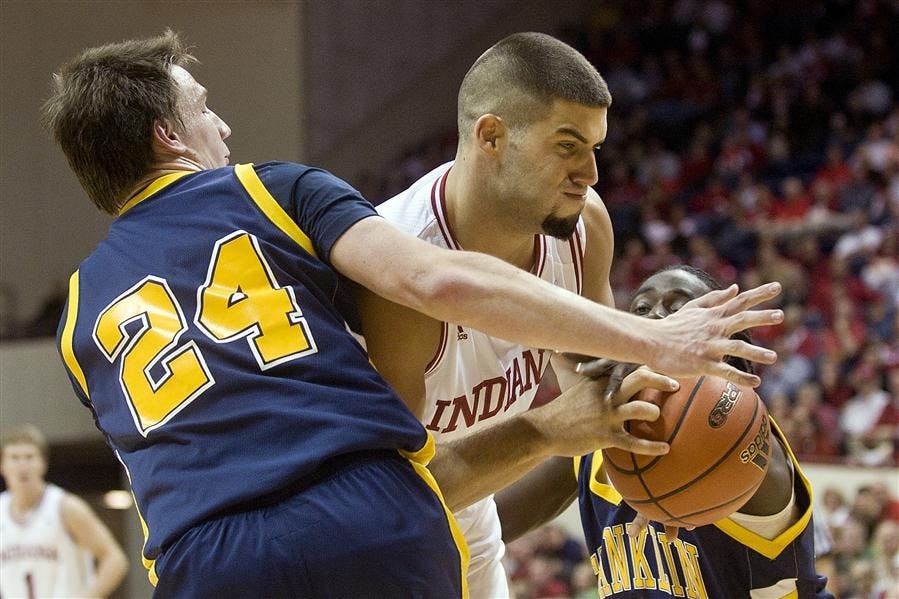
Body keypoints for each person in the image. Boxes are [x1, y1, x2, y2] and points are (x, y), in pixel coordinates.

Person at [44, 31, 781, 597]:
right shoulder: (268, 193)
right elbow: (430, 280)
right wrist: (654, 342)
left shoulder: (77, 316)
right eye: (204, 109)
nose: (225, 129)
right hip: (364, 507)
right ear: (168, 136)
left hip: (203, 558)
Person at [361, 32, 781, 597]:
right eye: (567, 145)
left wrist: (667, 447)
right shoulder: (399, 270)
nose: (591, 173)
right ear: (491, 136)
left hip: (469, 515)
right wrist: (545, 430)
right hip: (362, 543)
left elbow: (598, 389)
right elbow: (384, 501)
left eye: (595, 148)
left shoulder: (583, 229)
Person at [574, 265, 833, 597]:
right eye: (641, 309)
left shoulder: (734, 435)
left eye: (679, 310)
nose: (656, 317)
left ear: (723, 346)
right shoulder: (596, 437)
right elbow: (494, 526)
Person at [0, 423, 128, 598]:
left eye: (29, 457)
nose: (23, 465)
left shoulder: (65, 507)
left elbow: (115, 559)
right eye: (14, 458)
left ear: (43, 464)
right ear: (3, 466)